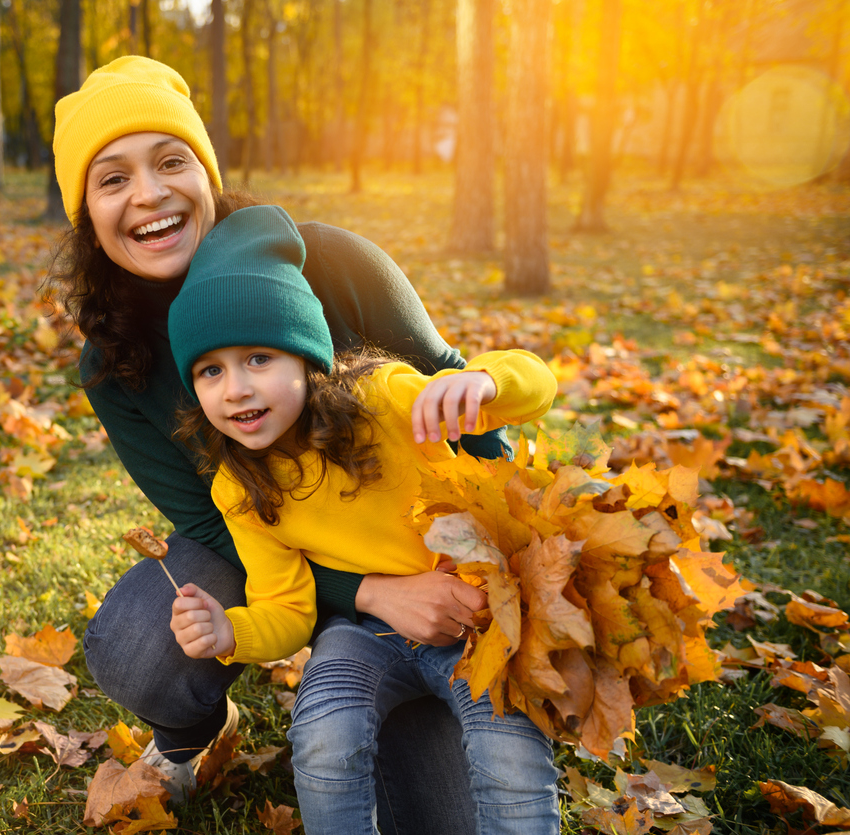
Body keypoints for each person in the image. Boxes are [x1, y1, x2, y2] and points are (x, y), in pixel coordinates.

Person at [49, 55, 512, 828]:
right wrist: (367, 594)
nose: (150, 195)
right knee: (140, 642)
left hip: (424, 555)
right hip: (270, 554)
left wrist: (483, 575)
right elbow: (207, 527)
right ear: (88, 216)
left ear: (207, 174)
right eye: (112, 179)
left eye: (170, 162)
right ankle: (195, 731)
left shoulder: (329, 260)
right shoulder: (115, 364)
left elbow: (464, 411)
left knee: (445, 819)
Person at [165, 205, 560, 835]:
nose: (235, 388)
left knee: (509, 747)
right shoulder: (239, 487)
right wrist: (229, 632)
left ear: (305, 358)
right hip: (362, 631)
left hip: (478, 620)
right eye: (211, 371)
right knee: (323, 732)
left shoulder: (387, 402)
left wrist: (485, 382)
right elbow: (288, 609)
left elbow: (538, 381)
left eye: (259, 359)